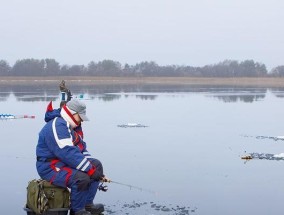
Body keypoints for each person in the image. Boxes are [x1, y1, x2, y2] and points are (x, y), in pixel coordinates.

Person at [36, 99, 107, 215]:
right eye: (80, 117)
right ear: (72, 113)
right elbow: (68, 153)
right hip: (50, 166)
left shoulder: (69, 126)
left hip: (63, 162)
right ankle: (77, 211)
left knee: (96, 165)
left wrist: (93, 169)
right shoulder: (57, 125)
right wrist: (90, 170)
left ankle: (87, 205)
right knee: (81, 178)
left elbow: (80, 149)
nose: (81, 121)